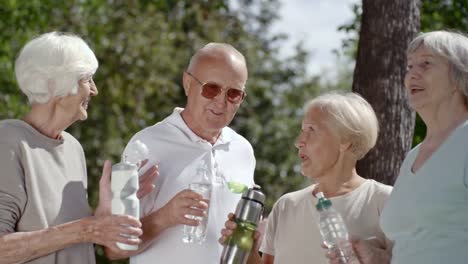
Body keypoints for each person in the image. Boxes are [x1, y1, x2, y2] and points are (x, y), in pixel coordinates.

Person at [0, 32, 157, 264]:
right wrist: (89, 228)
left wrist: (103, 217)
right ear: (55, 82)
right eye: (87, 79)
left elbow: (66, 238)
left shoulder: (73, 148)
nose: (94, 90)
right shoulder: (8, 140)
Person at [106, 43, 256, 263]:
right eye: (211, 88)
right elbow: (114, 249)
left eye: (233, 94)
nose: (221, 102)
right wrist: (164, 217)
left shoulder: (244, 150)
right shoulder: (146, 144)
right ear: (188, 83)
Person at [219, 92, 393, 264]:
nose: (299, 141)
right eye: (302, 130)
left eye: (311, 130)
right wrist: (247, 250)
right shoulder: (286, 206)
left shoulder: (385, 201)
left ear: (345, 140)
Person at [354, 30, 468, 264]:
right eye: (409, 67)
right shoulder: (413, 157)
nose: (411, 75)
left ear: (460, 76)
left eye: (426, 64)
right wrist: (376, 258)